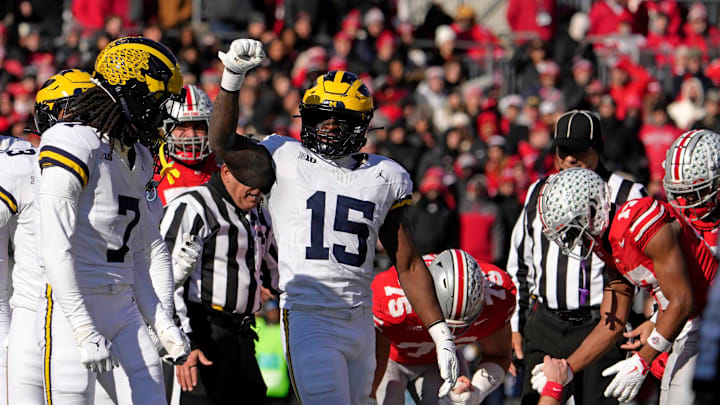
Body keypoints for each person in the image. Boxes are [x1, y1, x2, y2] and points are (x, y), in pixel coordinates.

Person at [208, 38, 459, 405]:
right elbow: (222, 142)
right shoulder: (283, 157)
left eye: (338, 120)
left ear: (361, 125)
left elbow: (406, 261)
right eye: (320, 117)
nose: (327, 127)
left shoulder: (385, 175)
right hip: (309, 315)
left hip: (360, 318)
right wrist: (232, 78)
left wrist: (441, 333)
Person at [36, 36, 190, 404]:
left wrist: (163, 322)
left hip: (124, 308)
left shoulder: (135, 155)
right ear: (132, 90)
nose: (163, 113)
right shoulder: (72, 140)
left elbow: (141, 253)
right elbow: (53, 247)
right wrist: (83, 326)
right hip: (71, 310)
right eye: (157, 100)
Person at [532, 167, 716, 404]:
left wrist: (643, 359)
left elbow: (682, 301)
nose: (571, 239)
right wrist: (566, 369)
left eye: (572, 228)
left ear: (591, 209)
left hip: (706, 319)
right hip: (686, 324)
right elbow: (613, 323)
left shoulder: (640, 220)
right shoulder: (605, 241)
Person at [507, 110, 646, 405]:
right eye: (563, 150)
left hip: (601, 325)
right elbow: (521, 263)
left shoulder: (628, 194)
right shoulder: (538, 191)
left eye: (579, 149)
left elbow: (650, 268)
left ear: (598, 148)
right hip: (546, 324)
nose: (570, 158)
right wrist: (516, 326)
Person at [2, 69, 94, 405]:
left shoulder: (125, 162)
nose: (86, 124)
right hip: (40, 315)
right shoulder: (21, 163)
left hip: (89, 313)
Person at [160, 147, 279, 404]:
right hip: (201, 332)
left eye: (264, 183)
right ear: (226, 173)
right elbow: (165, 281)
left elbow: (277, 272)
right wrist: (182, 345)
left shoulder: (258, 213)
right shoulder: (193, 206)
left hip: (242, 335)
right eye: (252, 181)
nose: (258, 190)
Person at [371, 249, 515, 405]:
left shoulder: (498, 295)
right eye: (446, 323)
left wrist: (476, 391)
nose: (452, 332)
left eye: (461, 325)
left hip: (442, 362)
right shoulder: (392, 297)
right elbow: (374, 355)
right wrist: (369, 395)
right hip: (391, 360)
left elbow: (498, 355)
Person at [155, 84, 219, 205]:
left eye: (198, 126)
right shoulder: (150, 171)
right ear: (166, 128)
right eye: (181, 126)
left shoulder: (223, 168)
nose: (191, 135)